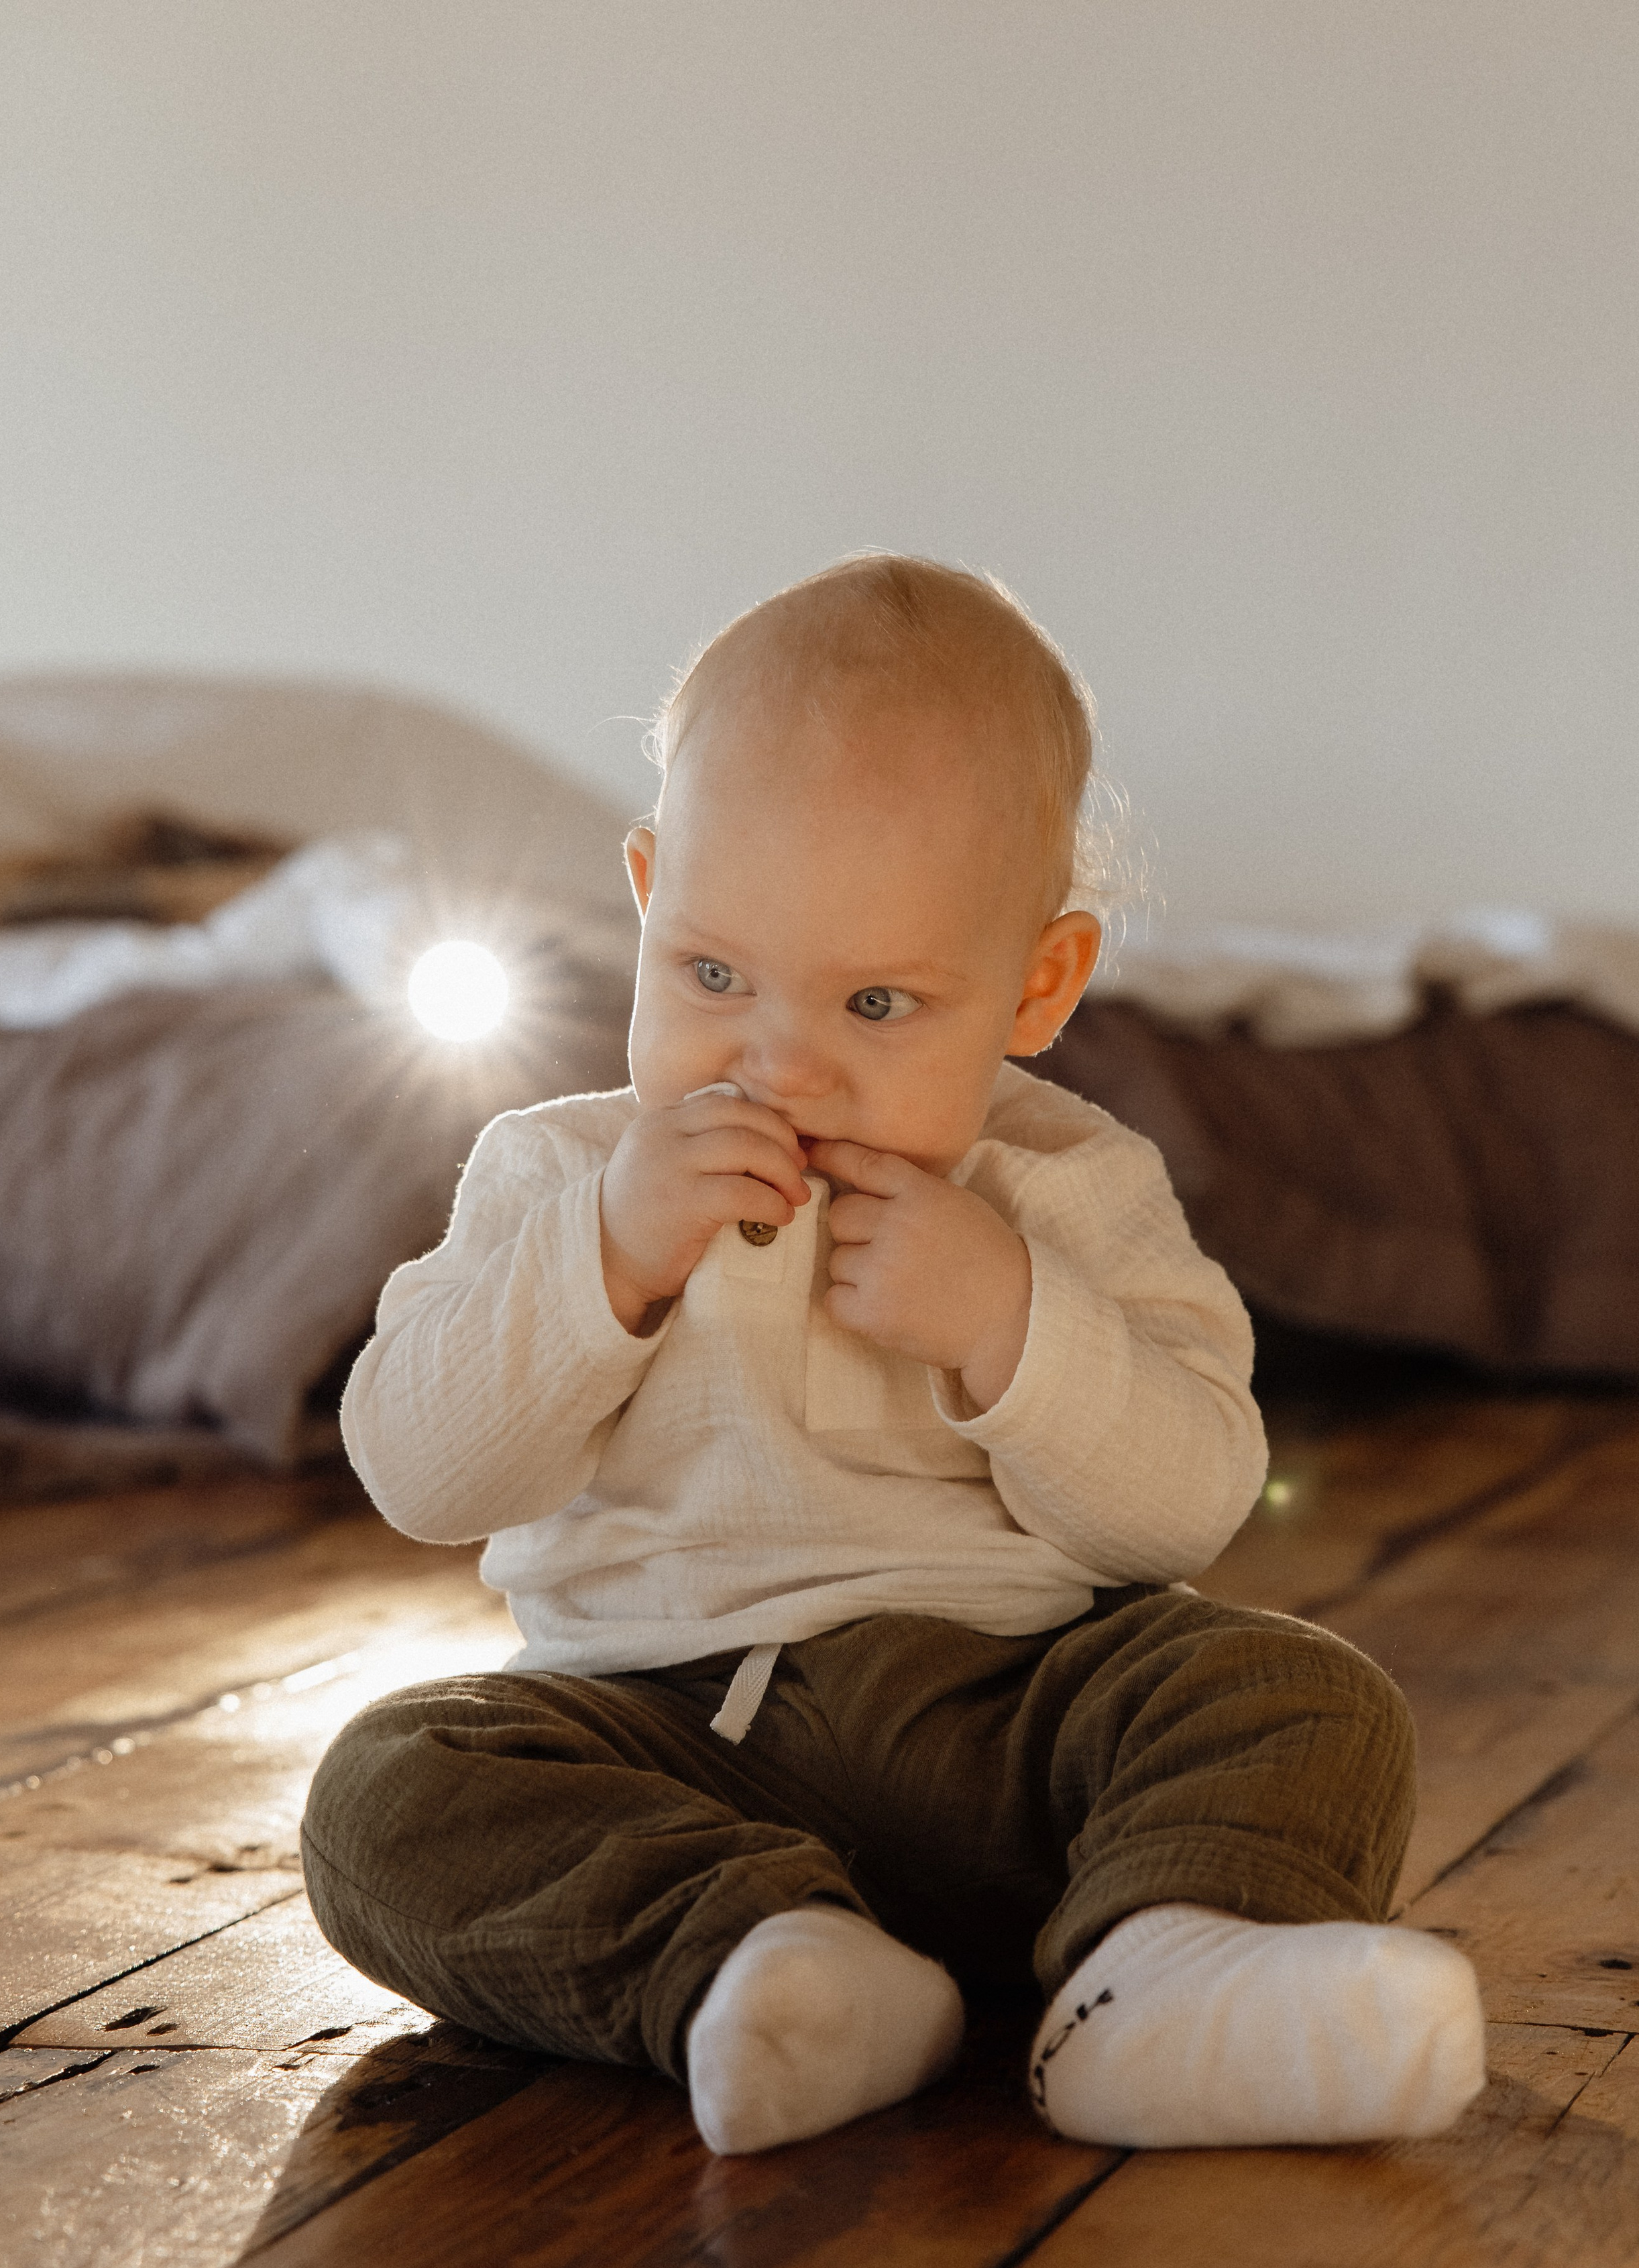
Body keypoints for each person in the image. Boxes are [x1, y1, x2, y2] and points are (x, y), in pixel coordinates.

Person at [302, 555, 1485, 2157]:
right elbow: (421, 1473)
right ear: (647, 898)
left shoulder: (1068, 1189)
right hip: (663, 1739)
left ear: (1035, 987)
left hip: (1014, 1732)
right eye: (713, 976)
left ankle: (1165, 1976)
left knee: (1294, 1692)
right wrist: (607, 1262)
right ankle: (763, 1970)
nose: (780, 1062)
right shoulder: (555, 1177)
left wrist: (1008, 1323)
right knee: (387, 1789)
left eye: (874, 1002)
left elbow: (1184, 1511)